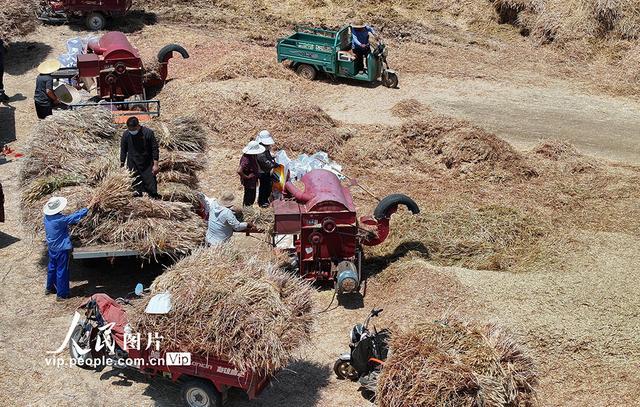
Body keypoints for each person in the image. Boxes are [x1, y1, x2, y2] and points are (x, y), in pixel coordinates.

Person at [43, 196, 89, 300]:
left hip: (52, 247)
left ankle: (50, 288)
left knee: (52, 267)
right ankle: (62, 294)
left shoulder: (46, 217)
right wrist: (86, 210)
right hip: (61, 249)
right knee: (62, 270)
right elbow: (73, 217)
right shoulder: (60, 220)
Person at [120, 116, 160, 198]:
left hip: (147, 162)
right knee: (135, 185)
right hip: (132, 162)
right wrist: (122, 164)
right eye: (129, 129)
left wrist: (155, 165)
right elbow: (123, 150)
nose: (131, 131)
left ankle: (153, 198)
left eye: (133, 129)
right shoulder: (126, 134)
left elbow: (154, 149)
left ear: (138, 126)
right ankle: (138, 199)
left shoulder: (148, 133)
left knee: (151, 184)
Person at [237, 140, 264, 207]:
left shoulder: (252, 156)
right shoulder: (246, 160)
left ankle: (249, 207)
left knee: (252, 195)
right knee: (249, 196)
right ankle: (247, 209)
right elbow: (239, 171)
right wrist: (247, 177)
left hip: (253, 180)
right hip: (249, 182)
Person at [255, 130, 276, 208]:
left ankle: (265, 199)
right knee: (264, 186)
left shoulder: (265, 146)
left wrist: (272, 158)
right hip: (262, 171)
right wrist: (273, 165)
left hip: (265, 170)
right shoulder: (260, 149)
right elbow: (263, 160)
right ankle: (262, 201)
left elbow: (268, 155)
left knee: (267, 186)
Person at [0, 39, 9, 103]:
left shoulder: (1, 42)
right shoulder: (1, 43)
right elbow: (6, 51)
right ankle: (2, 95)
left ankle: (2, 95)